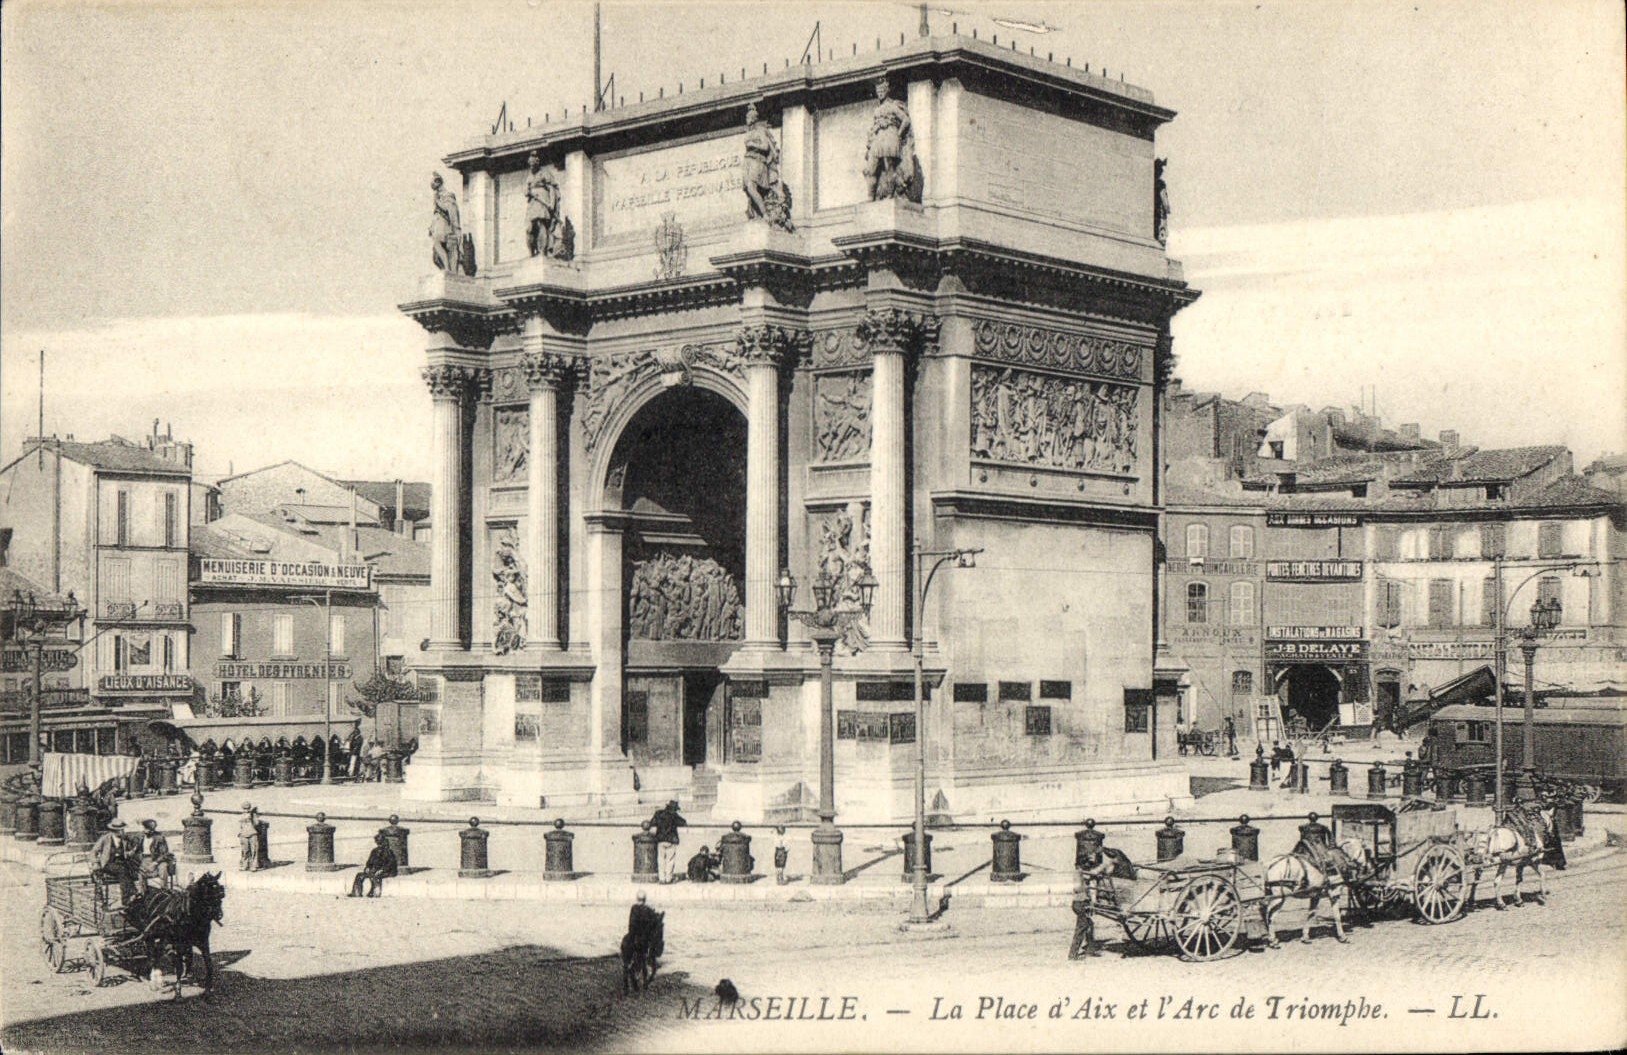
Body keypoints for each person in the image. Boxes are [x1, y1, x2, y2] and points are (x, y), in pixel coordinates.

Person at [862, 76, 917, 201]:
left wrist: (898, 134)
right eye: (878, 91)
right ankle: (870, 196)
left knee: (889, 166)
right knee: (870, 168)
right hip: (879, 138)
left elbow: (905, 120)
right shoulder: (877, 110)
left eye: (882, 91)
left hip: (890, 137)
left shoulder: (893, 106)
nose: (880, 93)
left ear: (887, 91)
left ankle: (890, 194)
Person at [524, 151, 561, 258]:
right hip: (533, 202)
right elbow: (526, 189)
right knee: (529, 228)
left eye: (533, 164)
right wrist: (527, 191)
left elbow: (552, 189)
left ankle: (542, 251)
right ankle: (531, 252)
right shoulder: (530, 176)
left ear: (537, 163)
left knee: (541, 224)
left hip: (543, 201)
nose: (531, 167)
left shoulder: (545, 173)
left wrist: (551, 204)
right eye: (530, 164)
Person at [92, 818, 137, 903]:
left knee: (130, 870)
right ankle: (126, 898)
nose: (121, 832)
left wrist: (131, 852)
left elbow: (126, 852)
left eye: (122, 830)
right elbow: (93, 851)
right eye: (118, 831)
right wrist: (95, 863)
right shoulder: (105, 838)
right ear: (113, 831)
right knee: (123, 871)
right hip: (108, 863)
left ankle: (134, 893)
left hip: (122, 862)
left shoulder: (125, 839)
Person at [429, 172, 462, 272]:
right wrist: (432, 226)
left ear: (439, 182)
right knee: (436, 244)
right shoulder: (437, 196)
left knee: (437, 242)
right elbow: (436, 214)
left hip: (445, 226)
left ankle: (447, 268)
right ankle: (446, 268)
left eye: (434, 184)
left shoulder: (448, 195)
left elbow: (450, 210)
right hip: (438, 225)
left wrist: (437, 202)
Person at [349, 832, 399, 898]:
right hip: (375, 870)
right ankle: (356, 893)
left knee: (376, 876)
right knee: (360, 875)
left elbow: (390, 864)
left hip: (387, 871)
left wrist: (382, 870)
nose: (379, 844)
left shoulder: (388, 852)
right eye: (378, 842)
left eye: (380, 842)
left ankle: (375, 893)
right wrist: (367, 868)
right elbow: (369, 862)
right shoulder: (374, 851)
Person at [649, 800, 687, 884]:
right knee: (670, 860)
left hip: (660, 839)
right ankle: (668, 878)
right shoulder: (674, 815)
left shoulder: (658, 814)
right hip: (671, 840)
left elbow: (651, 823)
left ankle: (661, 878)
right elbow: (683, 822)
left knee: (661, 859)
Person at [137, 818, 176, 889]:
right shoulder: (141, 837)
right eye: (144, 828)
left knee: (163, 868)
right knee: (141, 873)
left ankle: (164, 890)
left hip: (158, 859)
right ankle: (144, 893)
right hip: (145, 859)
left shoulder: (159, 838)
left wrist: (155, 863)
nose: (144, 830)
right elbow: (137, 850)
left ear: (152, 830)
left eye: (146, 829)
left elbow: (164, 853)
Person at [238, 804, 262, 872]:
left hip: (252, 833)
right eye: (245, 808)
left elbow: (256, 823)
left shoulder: (253, 815)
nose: (246, 810)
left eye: (248, 808)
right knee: (245, 851)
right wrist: (239, 833)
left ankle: (254, 866)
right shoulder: (241, 816)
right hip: (243, 834)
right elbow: (239, 826)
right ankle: (244, 865)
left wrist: (254, 816)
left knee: (254, 851)